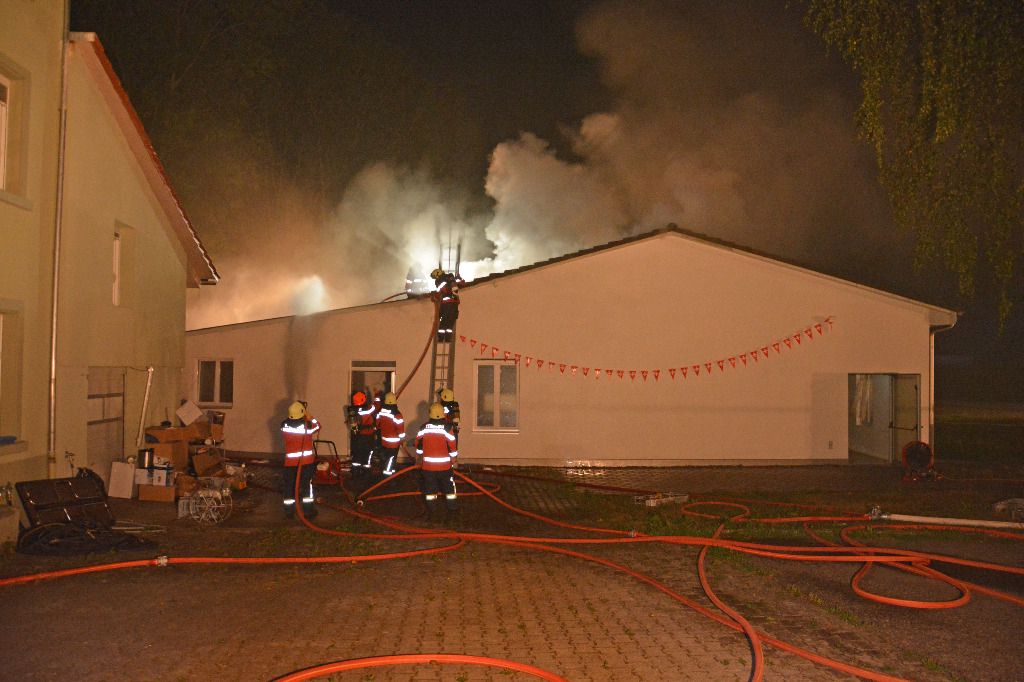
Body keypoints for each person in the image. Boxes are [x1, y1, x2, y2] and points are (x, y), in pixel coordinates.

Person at [415, 402, 459, 520]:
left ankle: (432, 510)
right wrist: (454, 458)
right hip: (445, 467)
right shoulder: (447, 428)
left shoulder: (423, 428)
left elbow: (419, 443)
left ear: (430, 414)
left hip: (428, 468)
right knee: (449, 489)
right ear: (442, 414)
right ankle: (452, 509)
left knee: (429, 490)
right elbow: (452, 444)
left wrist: (418, 456)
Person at [280, 401, 320, 519]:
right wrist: (310, 416)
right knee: (306, 486)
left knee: (289, 487)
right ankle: (308, 511)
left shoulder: (284, 425)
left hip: (290, 464)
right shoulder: (307, 425)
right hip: (305, 463)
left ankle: (289, 512)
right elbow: (318, 426)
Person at [348, 390, 377, 481]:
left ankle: (355, 473)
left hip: (358, 437)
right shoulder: (369, 409)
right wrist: (376, 395)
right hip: (368, 437)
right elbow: (375, 407)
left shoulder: (353, 411)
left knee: (357, 455)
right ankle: (366, 474)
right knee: (367, 455)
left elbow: (353, 426)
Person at [376, 392, 406, 476]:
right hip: (394, 443)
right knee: (391, 458)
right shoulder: (397, 414)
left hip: (383, 440)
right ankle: (387, 476)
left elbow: (378, 424)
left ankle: (391, 472)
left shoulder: (381, 411)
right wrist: (403, 439)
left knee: (386, 458)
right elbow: (400, 429)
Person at [431, 268, 460, 342]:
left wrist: (434, 297)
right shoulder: (451, 278)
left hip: (446, 305)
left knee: (443, 322)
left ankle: (441, 338)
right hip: (455, 304)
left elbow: (438, 293)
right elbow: (460, 283)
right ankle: (447, 338)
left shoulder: (441, 281)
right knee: (450, 322)